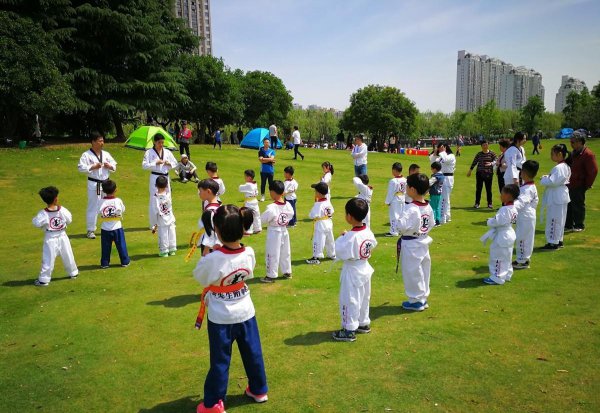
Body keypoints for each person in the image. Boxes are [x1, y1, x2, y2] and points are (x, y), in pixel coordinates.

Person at [193, 205, 268, 413]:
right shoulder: (249, 252)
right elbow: (247, 272)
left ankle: (214, 402)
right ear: (243, 228)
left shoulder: (214, 258)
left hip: (221, 317)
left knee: (220, 359)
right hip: (245, 310)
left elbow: (200, 276)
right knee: (253, 352)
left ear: (216, 230)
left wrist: (209, 254)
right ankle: (259, 389)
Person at [332, 198, 377, 342]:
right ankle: (363, 322)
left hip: (352, 271)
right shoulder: (367, 231)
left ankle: (349, 329)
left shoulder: (350, 237)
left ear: (349, 216)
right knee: (364, 297)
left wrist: (341, 237)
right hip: (364, 267)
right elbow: (373, 244)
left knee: (349, 299)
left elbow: (338, 251)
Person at [396, 173, 434, 311]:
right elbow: (432, 223)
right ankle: (422, 298)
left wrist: (398, 224)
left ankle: (415, 300)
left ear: (412, 189)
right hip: (423, 241)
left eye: (407, 186)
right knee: (424, 270)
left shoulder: (410, 208)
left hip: (411, 243)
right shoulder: (427, 206)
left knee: (412, 272)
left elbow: (401, 226)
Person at [32, 186, 78, 286]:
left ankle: (44, 279)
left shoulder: (43, 213)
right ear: (56, 198)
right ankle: (73, 272)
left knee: (48, 258)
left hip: (50, 237)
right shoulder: (62, 210)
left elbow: (36, 223)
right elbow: (69, 219)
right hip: (62, 235)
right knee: (68, 255)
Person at [78, 131, 117, 239]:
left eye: (103, 140)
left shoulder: (106, 154)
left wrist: (110, 166)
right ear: (93, 142)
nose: (102, 143)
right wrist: (92, 167)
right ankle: (90, 230)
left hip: (106, 183)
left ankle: (110, 227)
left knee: (109, 204)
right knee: (93, 206)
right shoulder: (86, 155)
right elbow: (80, 168)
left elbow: (114, 165)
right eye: (100, 141)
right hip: (94, 183)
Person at [481, 184, 519, 285]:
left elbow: (498, 221)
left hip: (503, 235)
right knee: (507, 256)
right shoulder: (513, 208)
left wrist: (489, 221)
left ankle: (497, 277)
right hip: (509, 233)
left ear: (508, 195)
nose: (500, 195)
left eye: (502, 193)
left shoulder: (505, 209)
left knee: (497, 256)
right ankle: (506, 274)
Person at [260, 180, 294, 282]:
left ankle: (271, 275)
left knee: (272, 253)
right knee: (285, 252)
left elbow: (262, 219)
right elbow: (291, 215)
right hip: (284, 230)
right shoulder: (288, 205)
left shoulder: (271, 207)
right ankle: (287, 271)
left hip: (274, 232)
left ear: (273, 192)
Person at [540, 144, 571, 250]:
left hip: (556, 196)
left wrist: (543, 179)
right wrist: (547, 177)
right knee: (560, 219)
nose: (551, 156)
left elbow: (552, 182)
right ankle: (558, 240)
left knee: (554, 219)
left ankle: (552, 242)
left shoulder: (559, 167)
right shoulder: (565, 166)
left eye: (552, 154)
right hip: (561, 195)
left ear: (560, 154)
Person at [142, 133, 177, 228]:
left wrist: (169, 163)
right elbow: (144, 165)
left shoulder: (168, 152)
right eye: (159, 142)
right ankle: (154, 224)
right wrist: (155, 163)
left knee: (168, 198)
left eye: (162, 142)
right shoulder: (149, 152)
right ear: (154, 142)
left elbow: (175, 163)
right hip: (155, 177)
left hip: (165, 177)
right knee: (154, 199)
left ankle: (169, 220)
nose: (161, 144)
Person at [565, 133, 598, 232]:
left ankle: (579, 225)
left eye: (573, 142)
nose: (571, 144)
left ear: (580, 142)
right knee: (569, 204)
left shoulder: (588, 154)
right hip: (570, 183)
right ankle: (568, 224)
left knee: (578, 204)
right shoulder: (573, 153)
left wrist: (587, 184)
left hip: (579, 184)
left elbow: (594, 170)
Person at [513, 160, 540, 270]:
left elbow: (521, 202)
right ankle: (523, 258)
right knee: (525, 237)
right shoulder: (530, 186)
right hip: (528, 215)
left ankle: (522, 260)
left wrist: (510, 207)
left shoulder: (526, 189)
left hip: (525, 216)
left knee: (522, 238)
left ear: (524, 172)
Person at [98, 180, 130, 268]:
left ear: (103, 191)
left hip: (105, 228)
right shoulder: (118, 200)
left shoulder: (100, 201)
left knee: (105, 247)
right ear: (115, 190)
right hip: (117, 227)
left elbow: (98, 211)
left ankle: (105, 263)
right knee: (121, 245)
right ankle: (125, 261)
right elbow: (123, 209)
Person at [306, 182, 335, 265]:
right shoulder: (328, 201)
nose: (315, 193)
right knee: (330, 239)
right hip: (329, 222)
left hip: (321, 224)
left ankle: (316, 257)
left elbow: (312, 215)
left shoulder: (318, 204)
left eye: (315, 191)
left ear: (318, 193)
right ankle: (332, 254)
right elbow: (332, 211)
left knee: (318, 240)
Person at [150, 176, 177, 257]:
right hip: (170, 217)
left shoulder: (155, 198)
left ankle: (164, 251)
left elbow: (155, 211)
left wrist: (154, 224)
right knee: (172, 233)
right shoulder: (168, 195)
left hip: (161, 219)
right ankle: (172, 249)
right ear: (166, 186)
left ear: (156, 185)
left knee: (163, 234)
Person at [466, 140, 496, 209]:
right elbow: (474, 162)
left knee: (489, 189)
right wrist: (470, 170)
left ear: (488, 145)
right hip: (480, 173)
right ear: (481, 146)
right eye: (483, 145)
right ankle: (477, 203)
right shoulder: (479, 154)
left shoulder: (492, 153)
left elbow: (496, 160)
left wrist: (491, 163)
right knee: (478, 189)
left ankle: (490, 203)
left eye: (486, 144)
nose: (485, 146)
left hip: (489, 174)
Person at [197, 179, 223, 256]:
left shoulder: (210, 211)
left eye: (200, 191)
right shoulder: (220, 206)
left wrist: (206, 249)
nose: (199, 193)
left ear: (208, 191)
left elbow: (210, 232)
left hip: (211, 247)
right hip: (218, 244)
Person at [433, 144, 456, 224]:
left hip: (448, 178)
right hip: (442, 177)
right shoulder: (440, 157)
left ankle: (443, 218)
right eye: (439, 148)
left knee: (444, 198)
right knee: (445, 198)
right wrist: (435, 154)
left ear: (446, 147)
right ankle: (447, 216)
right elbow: (434, 164)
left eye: (442, 148)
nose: (440, 149)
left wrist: (443, 151)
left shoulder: (451, 156)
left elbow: (445, 159)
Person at [385, 162, 407, 237]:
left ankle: (393, 231)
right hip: (403, 198)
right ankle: (400, 229)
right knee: (401, 215)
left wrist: (388, 201)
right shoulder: (405, 179)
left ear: (394, 170)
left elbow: (390, 192)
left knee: (394, 215)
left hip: (395, 199)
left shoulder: (393, 181)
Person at [239, 170, 261, 235]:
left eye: (245, 176)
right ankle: (258, 228)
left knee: (248, 216)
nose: (244, 178)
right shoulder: (255, 183)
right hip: (254, 201)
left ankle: (248, 230)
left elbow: (240, 188)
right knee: (256, 215)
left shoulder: (248, 185)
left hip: (249, 202)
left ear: (249, 177)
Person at [258, 138, 275, 202]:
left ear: (269, 143)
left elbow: (272, 159)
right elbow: (260, 160)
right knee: (263, 183)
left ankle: (272, 195)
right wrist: (269, 160)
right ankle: (262, 196)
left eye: (268, 142)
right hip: (263, 171)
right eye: (265, 142)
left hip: (270, 170)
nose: (266, 143)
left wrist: (264, 159)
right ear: (263, 143)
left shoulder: (272, 151)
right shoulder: (261, 151)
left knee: (271, 184)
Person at [429, 162, 444, 226]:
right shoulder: (442, 176)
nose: (431, 170)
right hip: (439, 194)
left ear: (435, 169)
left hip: (434, 193)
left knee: (433, 208)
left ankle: (434, 221)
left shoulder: (436, 176)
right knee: (437, 207)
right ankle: (438, 220)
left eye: (432, 169)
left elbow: (429, 183)